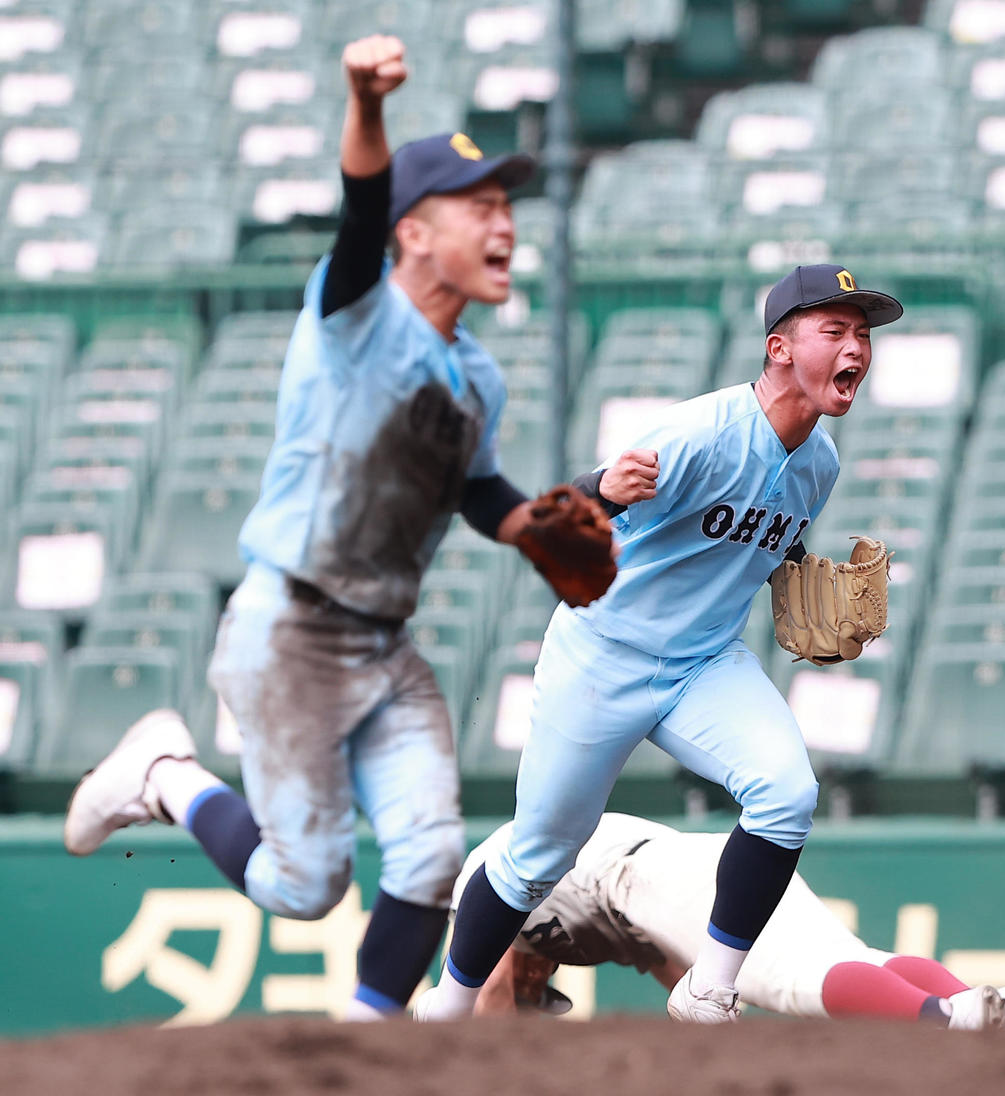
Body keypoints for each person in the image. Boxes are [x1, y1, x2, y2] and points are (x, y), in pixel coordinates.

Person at [63, 35, 613, 1023]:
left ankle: (366, 1051)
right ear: (415, 232)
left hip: (383, 643)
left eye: (507, 207)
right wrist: (365, 101)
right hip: (290, 629)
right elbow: (360, 210)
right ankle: (166, 775)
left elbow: (476, 488)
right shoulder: (355, 312)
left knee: (431, 856)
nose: (504, 224)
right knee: (303, 885)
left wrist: (533, 521)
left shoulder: (478, 375)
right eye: (479, 207)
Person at [416, 263, 904, 1025]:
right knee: (538, 856)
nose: (856, 348)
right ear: (778, 347)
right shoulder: (699, 435)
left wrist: (800, 578)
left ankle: (709, 992)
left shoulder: (820, 463)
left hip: (703, 662)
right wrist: (601, 489)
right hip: (602, 654)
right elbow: (558, 520)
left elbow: (760, 540)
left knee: (785, 795)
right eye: (835, 330)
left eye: (862, 335)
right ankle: (445, 1011)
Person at [450, 813, 1005, 1030]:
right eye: (538, 995)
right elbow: (678, 973)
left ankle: (945, 1019)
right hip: (701, 865)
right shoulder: (568, 929)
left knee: (793, 981)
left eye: (533, 992)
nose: (535, 985)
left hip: (645, 876)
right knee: (854, 958)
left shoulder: (486, 907)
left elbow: (487, 999)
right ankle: (975, 1003)